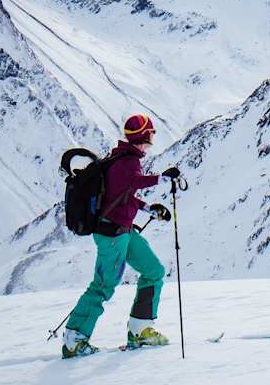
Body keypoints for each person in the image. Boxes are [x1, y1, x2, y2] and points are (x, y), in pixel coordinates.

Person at [61, 113, 182, 358]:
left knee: (153, 271)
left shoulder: (122, 158)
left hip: (122, 231)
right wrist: (162, 178)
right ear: (144, 135)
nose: (153, 136)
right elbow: (135, 182)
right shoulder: (127, 162)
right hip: (112, 234)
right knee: (103, 286)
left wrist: (149, 208)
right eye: (152, 132)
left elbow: (122, 193)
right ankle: (75, 338)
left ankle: (140, 329)